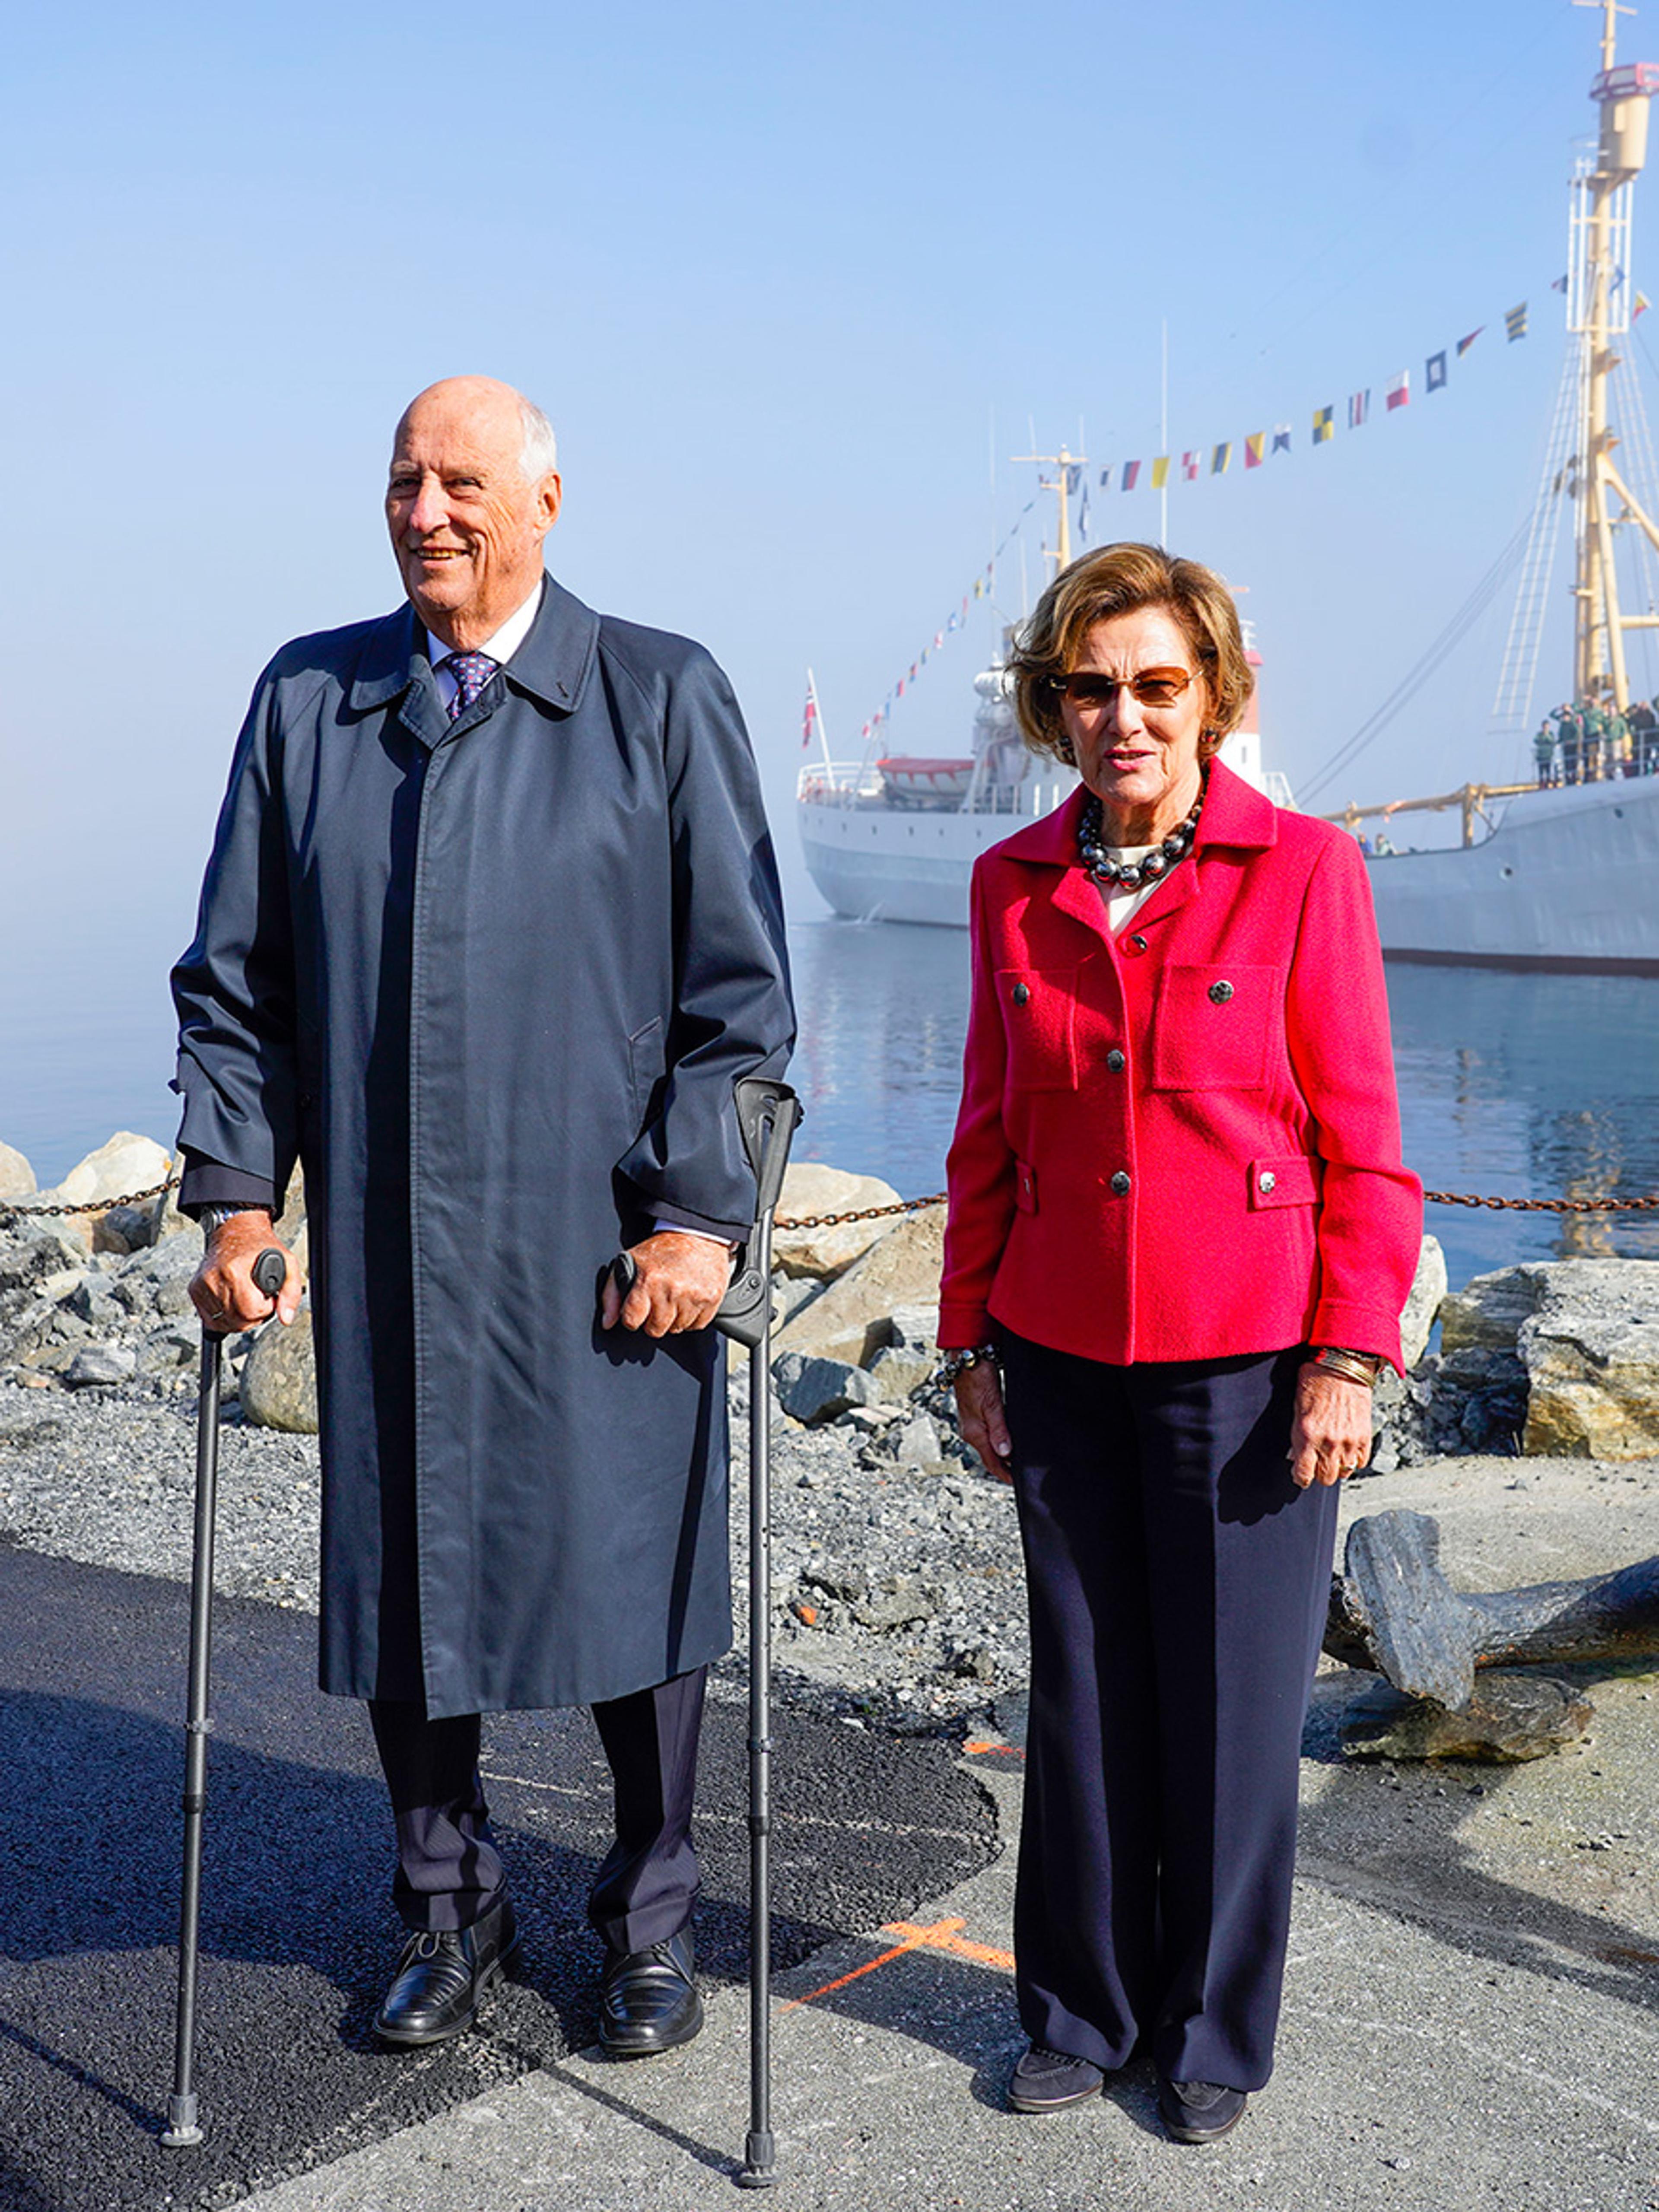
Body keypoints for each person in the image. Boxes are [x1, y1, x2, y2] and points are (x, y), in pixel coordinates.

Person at [172, 376, 793, 2056]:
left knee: (633, 1573)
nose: (427, 510)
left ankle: (650, 1923)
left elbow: (739, 1000)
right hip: (391, 1241)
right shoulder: (310, 700)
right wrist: (236, 1201)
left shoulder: (661, 692)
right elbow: (238, 987)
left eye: (461, 480)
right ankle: (447, 1910)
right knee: (409, 1579)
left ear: (547, 500)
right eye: (404, 481)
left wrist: (702, 1218)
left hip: (607, 1245)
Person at [938, 542, 1421, 2146]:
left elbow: (1367, 1148)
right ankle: (1079, 2012)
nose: (1125, 718)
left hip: (1253, 1366)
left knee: (1230, 1715)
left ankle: (1211, 2028)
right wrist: (968, 1344)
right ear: (1053, 706)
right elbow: (990, 1134)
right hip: (1061, 1350)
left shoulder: (1307, 872)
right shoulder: (1011, 884)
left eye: (1157, 685)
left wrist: (1349, 1356)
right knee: (1082, 1701)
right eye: (1092, 689)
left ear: (1214, 693)